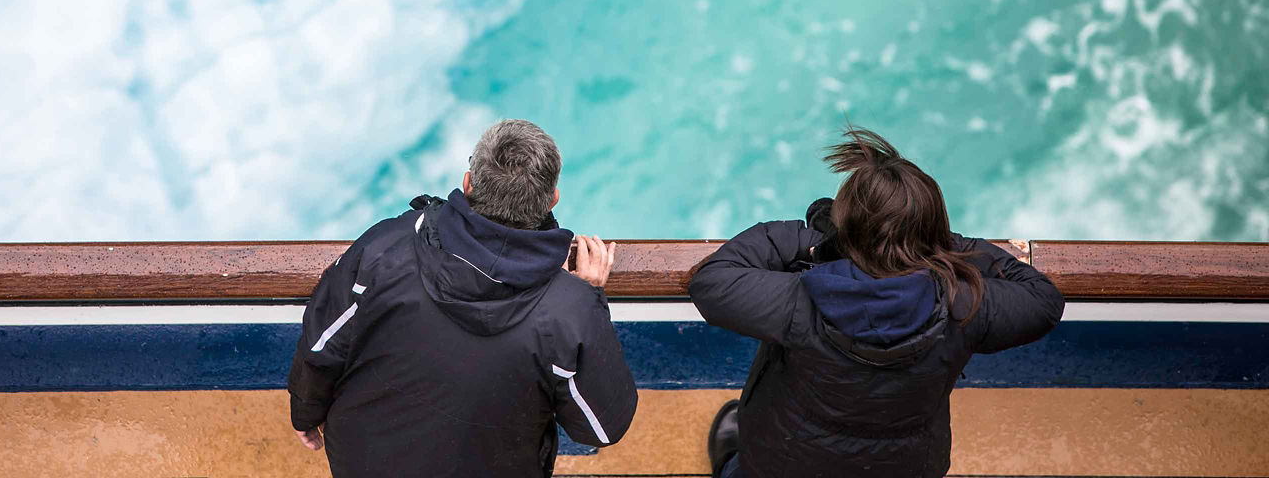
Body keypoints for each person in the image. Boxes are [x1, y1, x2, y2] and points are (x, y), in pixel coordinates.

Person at [689, 126, 1065, 478]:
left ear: (844, 231)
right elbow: (1044, 300)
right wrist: (943, 245)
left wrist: (812, 239)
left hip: (787, 461)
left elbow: (712, 280)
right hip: (904, 465)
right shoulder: (963, 303)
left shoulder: (801, 300)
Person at [287, 119, 638, 478]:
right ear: (552, 199)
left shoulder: (385, 248)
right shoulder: (568, 308)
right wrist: (589, 297)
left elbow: (322, 344)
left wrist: (306, 411)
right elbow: (601, 428)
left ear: (468, 183)